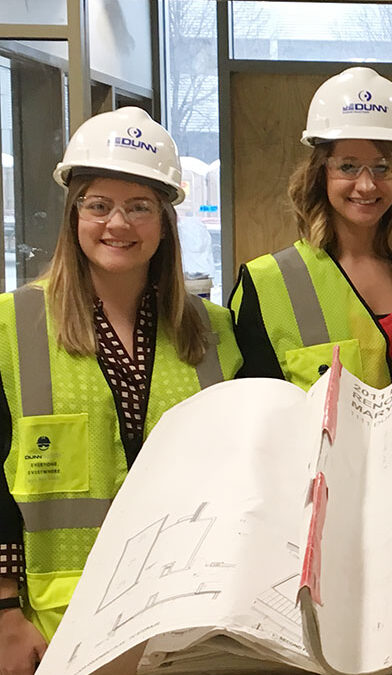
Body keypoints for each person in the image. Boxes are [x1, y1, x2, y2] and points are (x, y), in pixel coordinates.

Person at [0, 107, 242, 671]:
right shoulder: (13, 326)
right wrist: (5, 611)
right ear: (73, 215)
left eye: (140, 207)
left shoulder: (214, 333)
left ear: (164, 222)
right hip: (56, 625)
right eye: (98, 205)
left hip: (190, 620)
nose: (118, 224)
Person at [230, 66, 392, 389]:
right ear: (321, 173)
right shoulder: (265, 286)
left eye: (382, 167)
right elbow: (256, 420)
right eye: (348, 166)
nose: (366, 185)